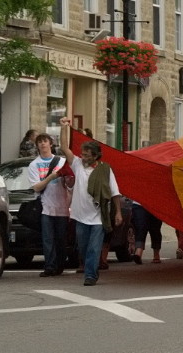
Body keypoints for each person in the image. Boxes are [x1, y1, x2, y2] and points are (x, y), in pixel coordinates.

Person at [59, 117, 124, 286]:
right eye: (83, 154)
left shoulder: (105, 170)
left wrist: (117, 212)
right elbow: (64, 147)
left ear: (95, 156)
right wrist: (63, 127)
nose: (83, 157)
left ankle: (90, 275)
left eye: (87, 155)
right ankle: (90, 271)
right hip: (80, 215)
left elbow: (115, 192)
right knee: (84, 246)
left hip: (97, 216)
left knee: (95, 248)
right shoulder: (77, 165)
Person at [28, 132, 70, 277]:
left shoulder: (61, 162)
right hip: (46, 206)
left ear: (51, 144)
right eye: (40, 142)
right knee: (47, 238)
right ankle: (49, 266)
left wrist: (68, 180)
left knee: (60, 238)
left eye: (45, 141)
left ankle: (60, 265)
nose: (43, 144)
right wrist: (51, 177)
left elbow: (70, 184)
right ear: (37, 146)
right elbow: (36, 187)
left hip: (62, 207)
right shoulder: (34, 165)